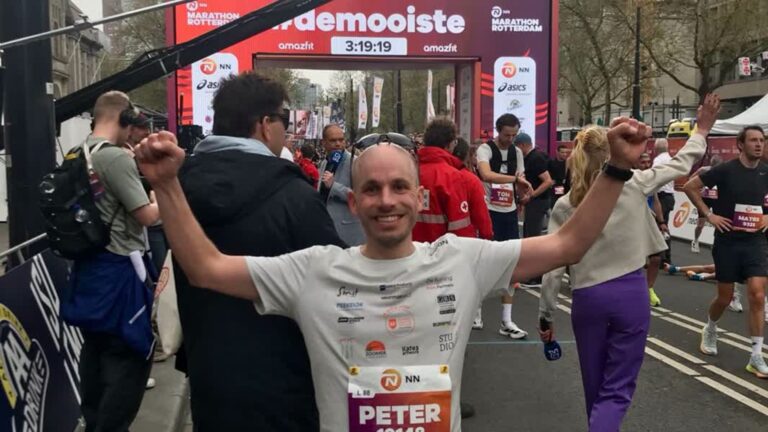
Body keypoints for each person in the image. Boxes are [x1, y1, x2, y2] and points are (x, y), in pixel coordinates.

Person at [136, 114, 650, 432]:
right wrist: (165, 184)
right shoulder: (313, 270)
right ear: (353, 203)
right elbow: (204, 268)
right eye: (374, 190)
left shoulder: (462, 259)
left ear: (419, 196)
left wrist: (617, 169)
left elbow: (568, 242)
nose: (388, 200)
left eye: (400, 187)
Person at [174, 72, 345, 430]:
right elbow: (341, 285)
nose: (287, 130)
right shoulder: (294, 197)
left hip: (210, 379)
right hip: (285, 384)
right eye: (284, 119)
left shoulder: (178, 190)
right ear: (265, 125)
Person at [539, 94, 719, 431]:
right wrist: (702, 128)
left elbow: (552, 267)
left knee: (595, 386)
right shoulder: (634, 184)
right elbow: (682, 163)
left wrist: (546, 315)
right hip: (629, 292)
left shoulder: (566, 204)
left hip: (587, 296)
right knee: (617, 388)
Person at [66, 91, 161, 431]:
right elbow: (147, 216)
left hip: (89, 268)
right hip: (121, 268)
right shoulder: (115, 158)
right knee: (130, 355)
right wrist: (160, 192)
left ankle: (93, 422)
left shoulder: (76, 153)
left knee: (94, 351)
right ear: (122, 117)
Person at [683, 124, 768, 378]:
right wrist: (709, 215)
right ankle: (710, 328)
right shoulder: (725, 170)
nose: (758, 144)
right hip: (728, 241)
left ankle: (755, 355)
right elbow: (689, 186)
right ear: (740, 144)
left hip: (755, 242)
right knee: (725, 296)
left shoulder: (766, 171)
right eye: (753, 140)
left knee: (756, 294)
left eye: (761, 140)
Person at [476, 114, 533, 338]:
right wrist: (514, 180)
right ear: (498, 131)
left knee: (511, 266)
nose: (510, 139)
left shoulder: (517, 153)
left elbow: (521, 178)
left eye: (514, 135)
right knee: (483, 263)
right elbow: (486, 174)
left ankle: (507, 320)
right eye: (507, 135)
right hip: (488, 211)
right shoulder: (485, 149)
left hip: (508, 211)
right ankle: (476, 311)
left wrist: (523, 191)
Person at [412, 118, 474, 241]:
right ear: (449, 144)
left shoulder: (409, 170)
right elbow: (460, 226)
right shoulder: (452, 176)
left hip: (409, 249)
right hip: (441, 253)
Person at [516, 132, 554, 287]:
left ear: (523, 145)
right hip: (536, 202)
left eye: (517, 147)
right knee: (529, 235)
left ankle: (536, 276)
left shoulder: (535, 158)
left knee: (533, 237)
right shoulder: (530, 158)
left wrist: (532, 195)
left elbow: (547, 181)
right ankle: (532, 274)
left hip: (538, 202)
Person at [320, 124, 365, 246]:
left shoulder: (354, 162)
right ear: (323, 143)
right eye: (333, 140)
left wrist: (334, 187)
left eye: (341, 140)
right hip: (327, 231)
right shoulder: (324, 163)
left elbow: (362, 197)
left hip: (348, 234)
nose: (338, 144)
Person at [690, 155, 724, 253]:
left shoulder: (723, 171)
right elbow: (691, 180)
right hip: (705, 199)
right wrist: (698, 188)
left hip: (717, 199)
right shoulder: (703, 170)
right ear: (711, 165)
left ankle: (716, 243)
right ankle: (695, 240)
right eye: (714, 167)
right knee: (700, 224)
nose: (715, 169)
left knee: (719, 223)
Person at [653, 138, 675, 264]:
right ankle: (665, 256)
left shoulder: (658, 160)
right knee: (664, 225)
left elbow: (655, 178)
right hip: (669, 196)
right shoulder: (671, 159)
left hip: (662, 196)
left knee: (660, 226)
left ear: (656, 149)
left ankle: (663, 257)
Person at [548, 144, 571, 208]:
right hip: (555, 189)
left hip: (566, 189)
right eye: (562, 152)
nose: (565, 154)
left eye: (566, 152)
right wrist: (549, 181)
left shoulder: (569, 163)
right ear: (557, 152)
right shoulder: (551, 162)